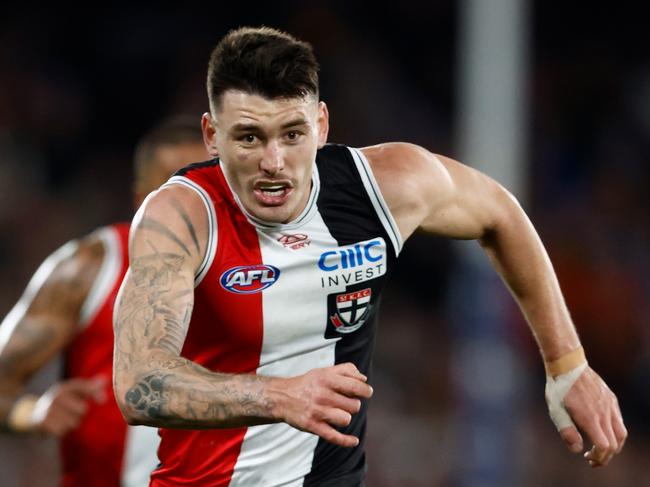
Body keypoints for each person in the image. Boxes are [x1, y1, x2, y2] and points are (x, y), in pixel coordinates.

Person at [113, 26, 627, 486]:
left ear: (321, 125)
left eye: (292, 135)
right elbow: (137, 383)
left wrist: (568, 366)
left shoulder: (383, 186)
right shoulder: (182, 217)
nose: (274, 163)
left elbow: (501, 213)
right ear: (211, 137)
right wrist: (278, 396)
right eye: (249, 137)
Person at [0, 117, 208, 487]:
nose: (189, 209)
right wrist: (32, 411)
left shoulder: (265, 274)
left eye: (205, 190)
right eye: (172, 192)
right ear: (139, 196)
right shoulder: (90, 267)